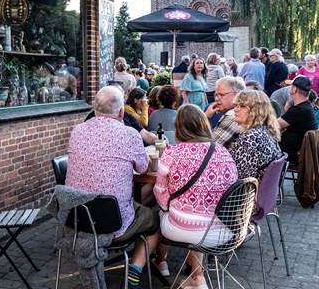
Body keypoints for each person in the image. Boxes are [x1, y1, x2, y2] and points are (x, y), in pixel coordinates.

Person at [66, 86, 160, 289]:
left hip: (78, 218)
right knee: (154, 220)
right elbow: (144, 168)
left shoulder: (77, 131)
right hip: (113, 223)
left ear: (94, 108)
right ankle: (135, 270)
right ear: (121, 112)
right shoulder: (129, 134)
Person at [152, 104, 239, 286]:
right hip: (223, 231)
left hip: (182, 229)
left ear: (179, 128)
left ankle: (161, 262)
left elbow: (160, 193)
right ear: (204, 125)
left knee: (161, 214)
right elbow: (232, 189)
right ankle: (197, 278)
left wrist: (171, 206)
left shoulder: (171, 153)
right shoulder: (223, 152)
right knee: (196, 218)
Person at [230, 90, 282, 180]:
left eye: (241, 106)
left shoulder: (249, 138)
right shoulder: (266, 131)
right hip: (262, 191)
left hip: (245, 191)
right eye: (235, 105)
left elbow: (238, 178)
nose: (235, 109)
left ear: (256, 110)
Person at [86, 82, 158, 145]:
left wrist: (159, 140)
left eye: (117, 97)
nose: (114, 100)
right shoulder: (91, 118)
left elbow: (144, 133)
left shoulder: (127, 116)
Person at [277, 76, 318, 166]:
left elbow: (272, 125)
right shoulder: (306, 106)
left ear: (294, 89)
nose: (289, 88)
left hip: (289, 154)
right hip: (295, 150)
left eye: (291, 86)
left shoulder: (299, 110)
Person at [205, 76, 245, 148]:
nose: (216, 99)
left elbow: (208, 147)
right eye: (216, 95)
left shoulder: (233, 115)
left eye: (221, 95)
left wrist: (205, 117)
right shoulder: (239, 112)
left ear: (236, 94)